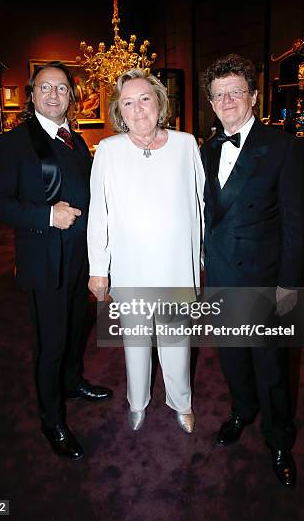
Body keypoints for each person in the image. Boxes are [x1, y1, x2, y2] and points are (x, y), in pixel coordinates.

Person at [0, 61, 112, 461]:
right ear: (32, 95)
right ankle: (51, 419)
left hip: (79, 259)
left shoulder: (77, 140)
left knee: (76, 329)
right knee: (52, 341)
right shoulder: (13, 143)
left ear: (71, 95)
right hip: (45, 261)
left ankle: (71, 383)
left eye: (61, 88)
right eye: (45, 88)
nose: (54, 94)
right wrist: (45, 215)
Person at [201, 53, 304, 487]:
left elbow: (297, 224)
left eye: (235, 91)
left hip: (266, 278)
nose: (227, 100)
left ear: (252, 96)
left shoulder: (284, 147)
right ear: (211, 103)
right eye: (219, 94)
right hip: (223, 278)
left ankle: (280, 438)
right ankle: (242, 410)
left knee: (272, 364)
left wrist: (289, 284)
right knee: (232, 359)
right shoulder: (206, 150)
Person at [87, 68, 204, 433]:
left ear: (159, 103)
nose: (138, 109)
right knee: (135, 341)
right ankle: (137, 402)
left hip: (174, 266)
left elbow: (201, 205)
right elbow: (98, 212)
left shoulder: (187, 144)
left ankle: (180, 401)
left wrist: (200, 258)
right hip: (131, 265)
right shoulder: (108, 150)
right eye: (128, 103)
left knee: (176, 340)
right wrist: (98, 267)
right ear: (119, 113)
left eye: (145, 99)